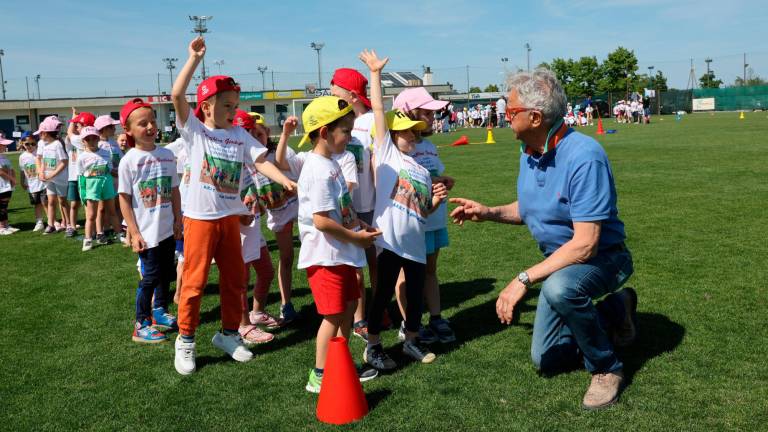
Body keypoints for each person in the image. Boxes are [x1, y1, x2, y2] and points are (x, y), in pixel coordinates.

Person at [449, 68, 638, 410]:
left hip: (604, 258)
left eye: (509, 113)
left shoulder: (584, 156)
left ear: (534, 117)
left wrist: (524, 278)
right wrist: (489, 212)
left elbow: (586, 243)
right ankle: (615, 309)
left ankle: (606, 368)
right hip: (566, 264)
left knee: (559, 288)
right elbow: (532, 208)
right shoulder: (529, 151)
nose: (503, 118)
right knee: (546, 359)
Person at [170, 36, 295, 375]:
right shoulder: (195, 131)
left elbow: (261, 161)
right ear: (207, 106)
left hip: (229, 219)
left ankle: (227, 335)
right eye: (226, 104)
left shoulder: (239, 136)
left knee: (234, 280)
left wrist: (283, 180)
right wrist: (193, 60)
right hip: (199, 220)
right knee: (194, 284)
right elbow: (177, 96)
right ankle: (186, 340)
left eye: (235, 104)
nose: (232, 110)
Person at [358, 49, 448, 370]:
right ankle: (373, 346)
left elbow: (422, 212)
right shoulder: (386, 155)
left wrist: (437, 198)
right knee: (381, 295)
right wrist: (375, 74)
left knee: (415, 300)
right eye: (406, 131)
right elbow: (380, 109)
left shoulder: (421, 169)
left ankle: (410, 340)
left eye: (414, 131)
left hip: (414, 245)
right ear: (393, 135)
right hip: (390, 242)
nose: (412, 135)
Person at [295, 95, 381, 393]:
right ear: (324, 133)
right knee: (332, 316)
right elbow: (321, 221)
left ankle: (341, 365)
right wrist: (356, 238)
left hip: (341, 254)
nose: (350, 137)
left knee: (345, 311)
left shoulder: (331, 163)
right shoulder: (317, 170)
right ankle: (319, 374)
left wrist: (359, 223)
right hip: (325, 258)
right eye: (345, 130)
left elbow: (342, 209)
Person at [392, 87, 456, 344]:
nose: (433, 116)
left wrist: (442, 181)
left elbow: (430, 175)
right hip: (411, 223)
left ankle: (436, 317)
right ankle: (408, 323)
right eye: (427, 111)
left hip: (434, 218)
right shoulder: (397, 148)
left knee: (430, 270)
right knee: (406, 275)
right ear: (409, 114)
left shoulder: (428, 145)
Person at [118, 98, 182, 344]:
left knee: (166, 273)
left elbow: (174, 190)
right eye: (142, 123)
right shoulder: (129, 160)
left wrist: (178, 219)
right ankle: (141, 323)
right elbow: (124, 199)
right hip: (146, 233)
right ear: (129, 130)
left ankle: (160, 311)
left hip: (167, 229)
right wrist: (133, 232)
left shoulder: (167, 155)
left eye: (153, 121)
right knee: (150, 277)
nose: (150, 127)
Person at [328, 67, 378, 341]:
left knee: (374, 261)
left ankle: (379, 307)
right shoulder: (334, 119)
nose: (332, 91)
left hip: (368, 202)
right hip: (342, 207)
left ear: (351, 94)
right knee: (353, 266)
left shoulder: (370, 121)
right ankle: (359, 318)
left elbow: (376, 163)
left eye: (335, 87)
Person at [76, 126, 118, 251]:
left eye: (94, 138)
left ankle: (119, 235)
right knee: (91, 215)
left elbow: (110, 169)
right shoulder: (82, 157)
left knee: (112, 211)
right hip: (91, 187)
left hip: (107, 184)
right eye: (88, 139)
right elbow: (80, 176)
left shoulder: (105, 153)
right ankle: (88, 240)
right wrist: (82, 192)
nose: (91, 141)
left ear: (98, 138)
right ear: (83, 141)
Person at [35, 116, 70, 234]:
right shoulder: (45, 145)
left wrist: (52, 175)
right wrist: (42, 172)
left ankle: (69, 224)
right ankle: (50, 225)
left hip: (60, 179)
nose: (39, 135)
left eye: (41, 133)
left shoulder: (57, 144)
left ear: (46, 133)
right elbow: (44, 161)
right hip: (49, 179)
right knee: (50, 201)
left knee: (63, 201)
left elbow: (64, 162)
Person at [65, 110, 95, 238]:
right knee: (76, 204)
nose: (76, 126)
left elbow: (69, 132)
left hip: (81, 176)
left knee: (86, 205)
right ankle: (73, 226)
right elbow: (68, 136)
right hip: (76, 176)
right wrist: (76, 120)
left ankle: (87, 229)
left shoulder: (80, 139)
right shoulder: (78, 139)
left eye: (78, 124)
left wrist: (74, 117)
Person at [18, 134, 47, 232]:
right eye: (27, 144)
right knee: (37, 203)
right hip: (31, 184)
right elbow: (22, 171)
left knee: (45, 203)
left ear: (36, 144)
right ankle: (39, 222)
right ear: (22, 144)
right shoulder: (22, 157)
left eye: (32, 144)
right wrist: (22, 181)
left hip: (43, 183)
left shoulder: (39, 154)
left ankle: (52, 221)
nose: (30, 146)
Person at [0, 132, 17, 235]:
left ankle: (6, 225)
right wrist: (12, 179)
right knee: (1, 207)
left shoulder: (4, 157)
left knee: (4, 206)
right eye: (3, 144)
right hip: (1, 186)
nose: (5, 146)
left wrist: (12, 180)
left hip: (7, 186)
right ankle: (1, 227)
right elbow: (1, 172)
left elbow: (11, 169)